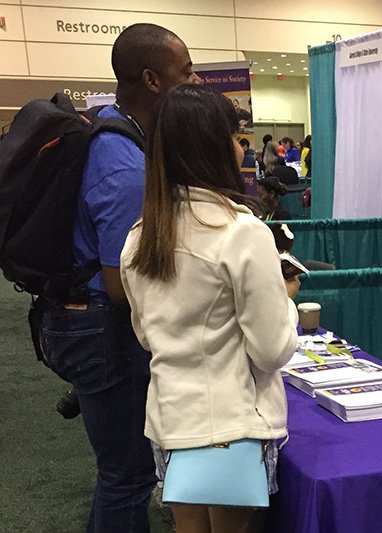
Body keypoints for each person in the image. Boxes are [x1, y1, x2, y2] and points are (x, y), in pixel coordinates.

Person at [37, 23, 200, 531]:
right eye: (186, 70)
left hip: (84, 319)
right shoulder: (124, 163)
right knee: (127, 476)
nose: (194, 80)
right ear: (153, 79)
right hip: (101, 326)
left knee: (120, 473)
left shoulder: (115, 129)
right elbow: (119, 283)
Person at [120, 83, 300, 531]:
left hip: (171, 420)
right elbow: (272, 350)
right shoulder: (242, 231)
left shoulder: (140, 237)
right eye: (236, 137)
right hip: (233, 425)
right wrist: (287, 302)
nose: (241, 147)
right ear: (214, 145)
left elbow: (147, 335)